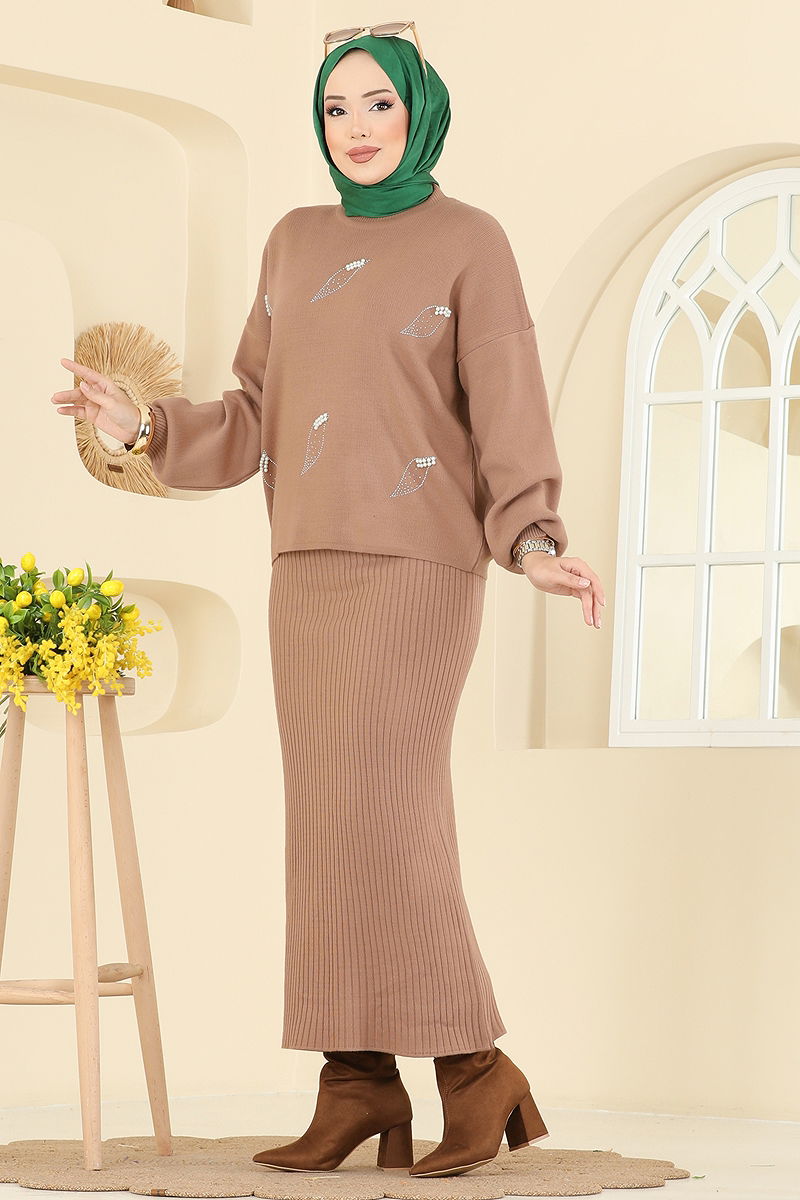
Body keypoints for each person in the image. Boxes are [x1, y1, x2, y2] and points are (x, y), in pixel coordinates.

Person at [50, 24, 605, 1180]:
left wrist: (532, 534)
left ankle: (472, 1067)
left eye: (376, 104)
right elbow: (254, 415)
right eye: (334, 108)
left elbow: (505, 399)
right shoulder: (294, 242)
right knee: (326, 824)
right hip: (303, 567)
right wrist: (142, 426)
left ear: (419, 111)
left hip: (418, 568)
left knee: (390, 817)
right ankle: (355, 1079)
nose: (354, 128)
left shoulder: (469, 241)